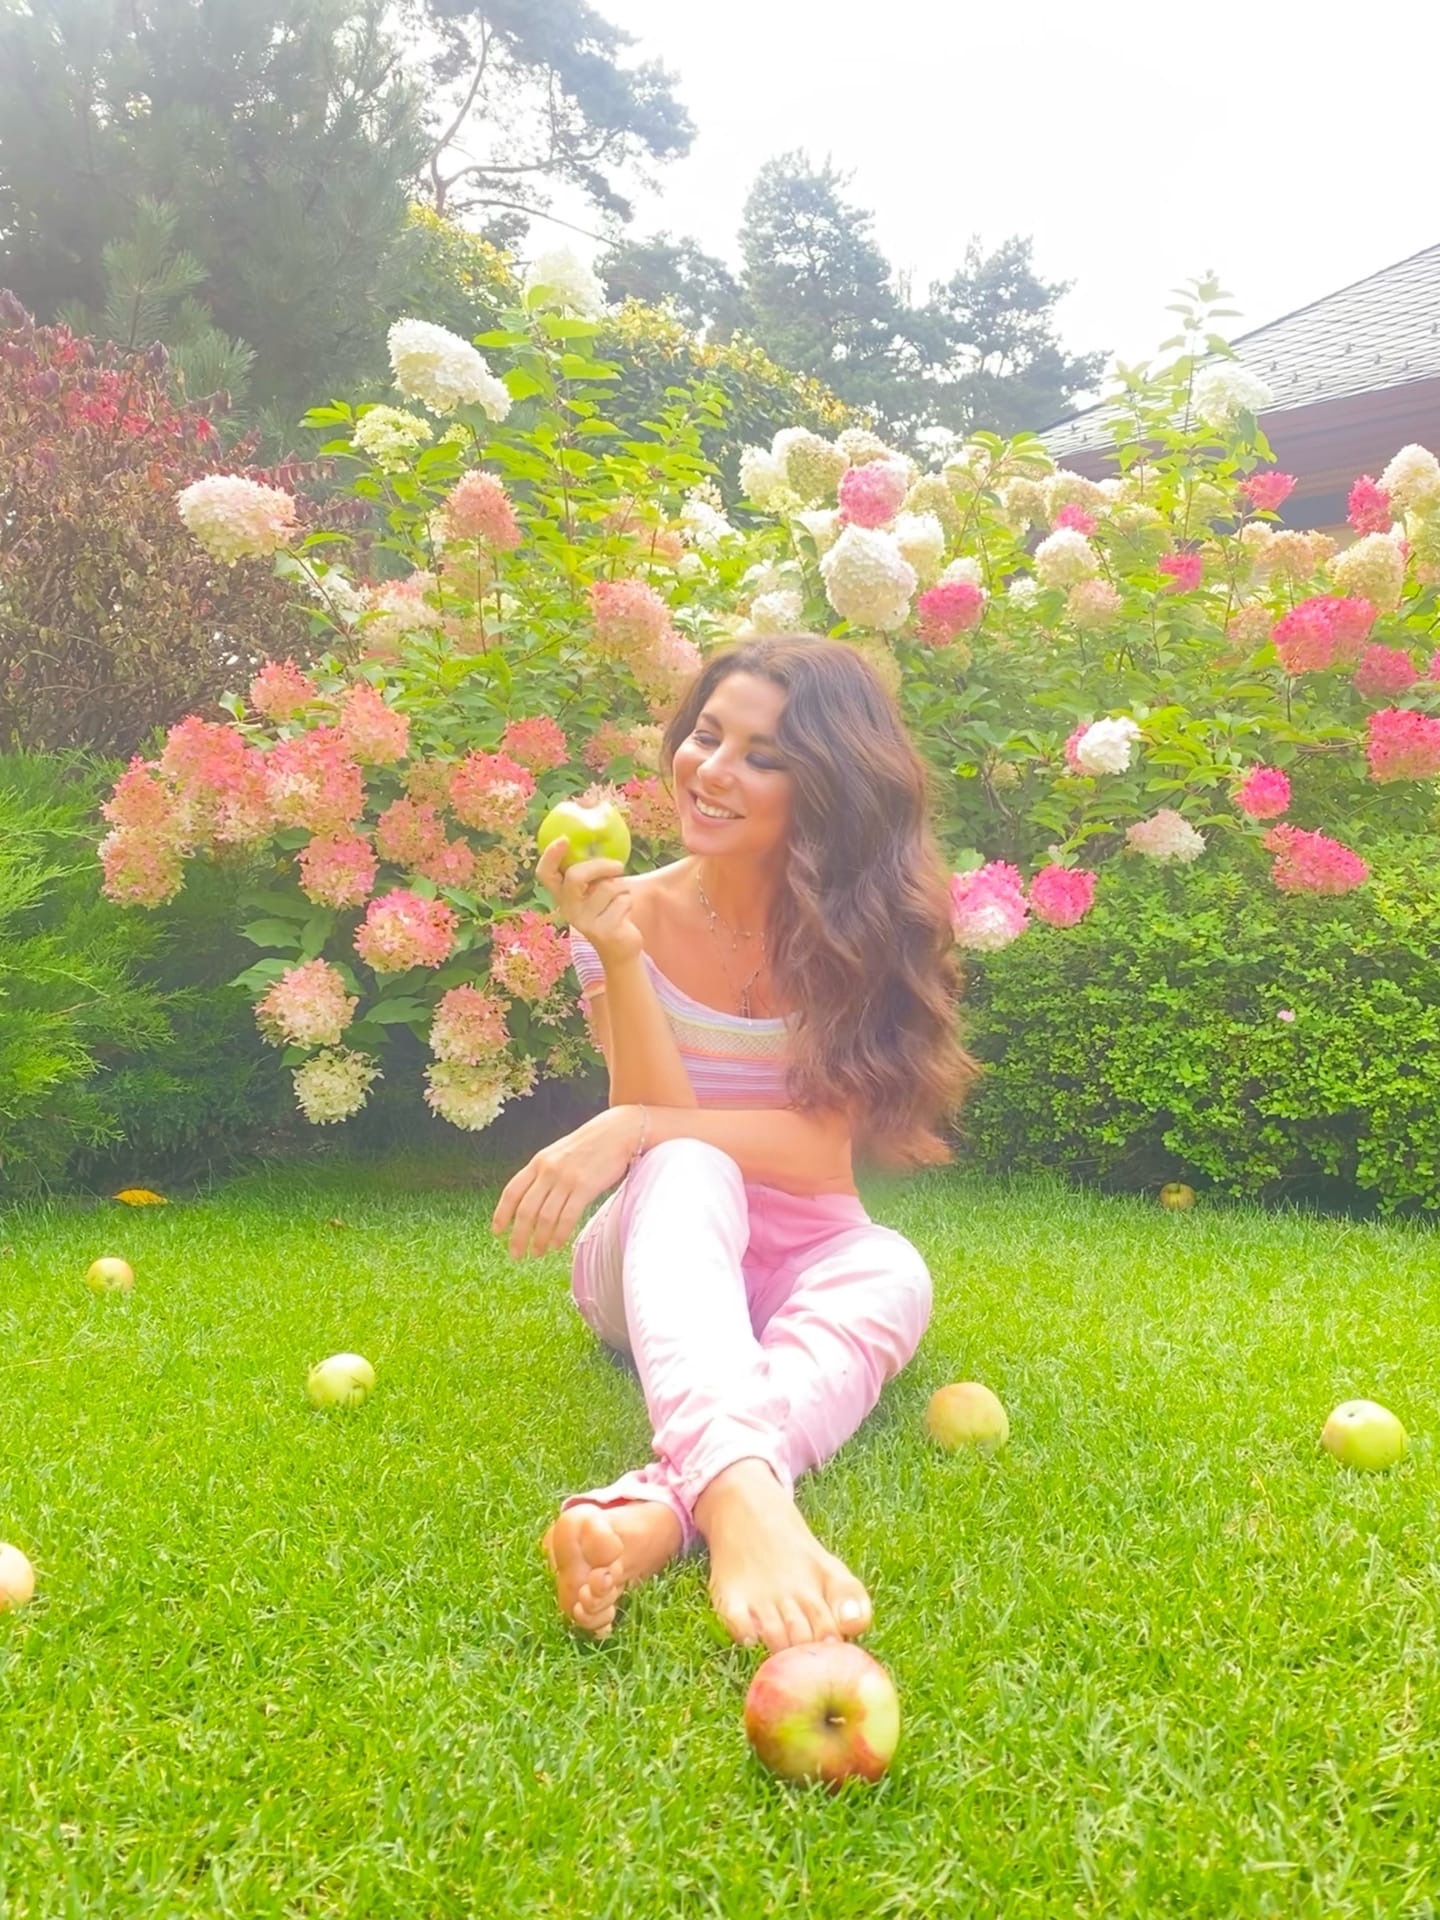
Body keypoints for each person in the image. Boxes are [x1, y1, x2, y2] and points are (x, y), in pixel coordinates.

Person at [491, 636, 976, 1653]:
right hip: (654, 1252)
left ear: (828, 789)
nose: (711, 771)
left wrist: (632, 1126)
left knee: (894, 1266)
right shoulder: (621, 915)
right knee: (686, 1160)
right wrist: (619, 955)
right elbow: (658, 1131)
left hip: (805, 1245)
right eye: (706, 736)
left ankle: (664, 1514)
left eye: (762, 756)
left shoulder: (863, 934)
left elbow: (817, 1158)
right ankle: (748, 1504)